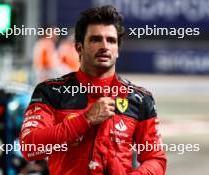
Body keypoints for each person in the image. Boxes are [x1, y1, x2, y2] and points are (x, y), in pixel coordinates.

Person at [20, 5, 167, 175]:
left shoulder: (140, 99)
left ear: (117, 49)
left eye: (111, 40)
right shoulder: (50, 92)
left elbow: (155, 159)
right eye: (96, 39)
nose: (104, 46)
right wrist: (85, 120)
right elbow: (29, 147)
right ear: (79, 48)